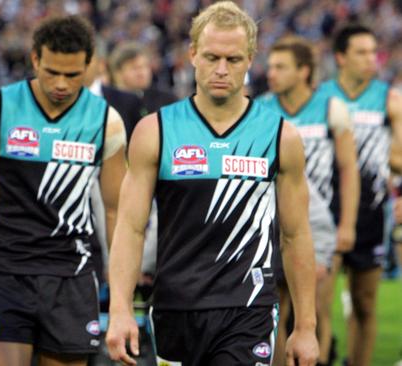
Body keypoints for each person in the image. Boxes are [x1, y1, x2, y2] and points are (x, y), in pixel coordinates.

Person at [105, 2, 318, 366]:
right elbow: (131, 227)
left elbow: (296, 235)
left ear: (251, 59)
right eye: (211, 57)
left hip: (248, 308)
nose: (221, 70)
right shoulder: (156, 131)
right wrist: (120, 309)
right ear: (192, 54)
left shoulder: (280, 137)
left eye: (233, 60)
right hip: (175, 306)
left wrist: (306, 327)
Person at [0, 15, 126, 366]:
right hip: (5, 269)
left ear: (89, 66)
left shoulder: (107, 121)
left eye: (73, 75)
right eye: (52, 72)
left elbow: (116, 209)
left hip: (71, 274)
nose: (61, 83)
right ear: (34, 60)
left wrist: (120, 288)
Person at [257, 37, 360, 366]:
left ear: (303, 71)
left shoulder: (331, 108)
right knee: (272, 313)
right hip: (270, 227)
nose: (271, 73)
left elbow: (348, 169)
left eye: (280, 67)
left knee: (315, 309)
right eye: (270, 66)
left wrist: (346, 225)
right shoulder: (260, 109)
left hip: (318, 226)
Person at [317, 24, 402, 366]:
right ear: (341, 57)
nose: (372, 59)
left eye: (374, 52)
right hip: (324, 211)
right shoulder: (320, 97)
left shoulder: (389, 98)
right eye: (362, 52)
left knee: (365, 304)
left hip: (370, 212)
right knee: (318, 304)